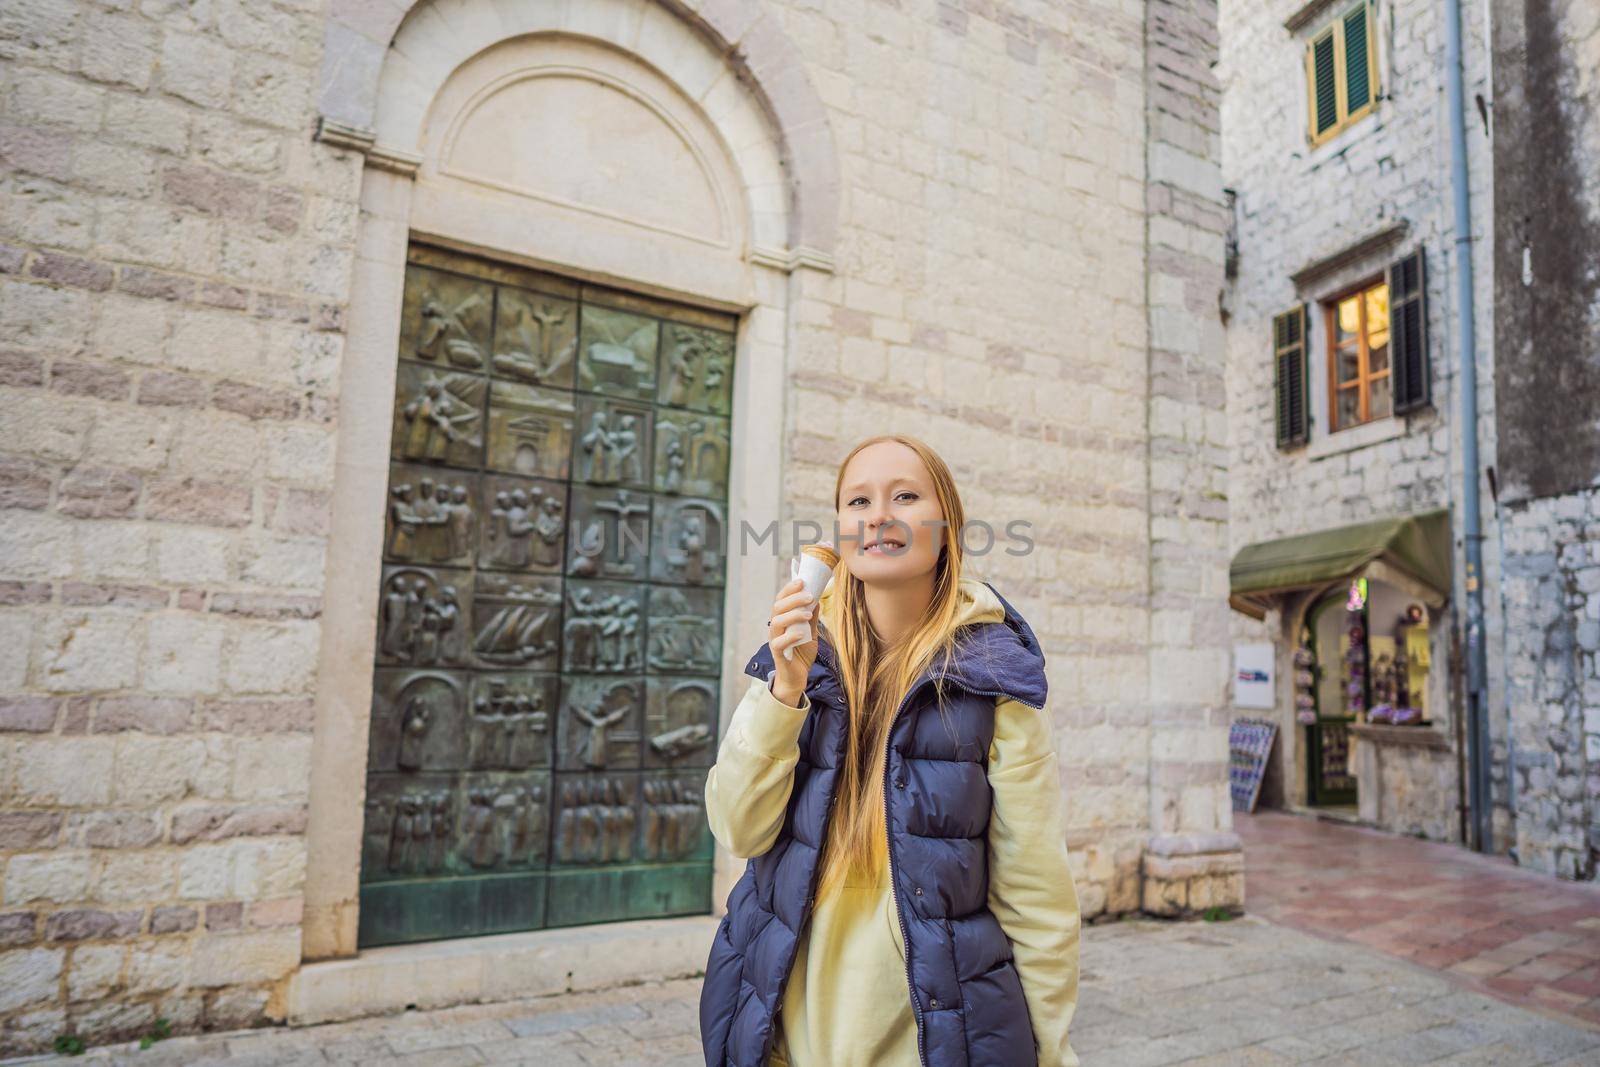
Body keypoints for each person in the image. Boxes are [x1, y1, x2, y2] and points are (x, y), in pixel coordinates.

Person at [700, 435, 1081, 1067]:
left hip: (934, 1040)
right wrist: (785, 692)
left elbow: (1037, 899)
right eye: (858, 500)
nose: (879, 514)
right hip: (779, 1034)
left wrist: (1053, 1052)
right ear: (842, 532)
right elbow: (738, 829)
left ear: (946, 524)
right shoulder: (797, 660)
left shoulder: (994, 684)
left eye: (905, 495)